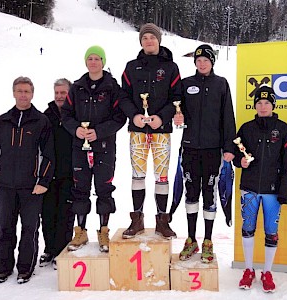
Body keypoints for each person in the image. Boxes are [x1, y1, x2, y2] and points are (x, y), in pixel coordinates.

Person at [0, 77, 54, 284]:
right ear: (13, 93)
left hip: (31, 187)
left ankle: (25, 268)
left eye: (27, 91)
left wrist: (43, 181)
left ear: (32, 94)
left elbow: (48, 155)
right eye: (19, 91)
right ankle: (3, 267)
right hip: (6, 185)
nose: (23, 95)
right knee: (5, 226)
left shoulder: (41, 121)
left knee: (29, 228)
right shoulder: (2, 122)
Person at [173, 44, 236, 263]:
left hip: (213, 149)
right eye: (198, 60)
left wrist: (229, 148)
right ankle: (191, 239)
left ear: (212, 62)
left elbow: (228, 117)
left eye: (205, 60)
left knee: (209, 193)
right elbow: (175, 107)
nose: (202, 63)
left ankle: (208, 240)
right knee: (191, 194)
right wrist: (176, 117)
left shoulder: (221, 84)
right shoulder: (185, 84)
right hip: (189, 148)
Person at [61, 45, 127, 253]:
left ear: (103, 62)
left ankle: (103, 230)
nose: (93, 62)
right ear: (85, 62)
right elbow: (66, 115)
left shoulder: (112, 87)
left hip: (104, 146)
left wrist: (99, 132)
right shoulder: (77, 87)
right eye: (90, 58)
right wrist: (76, 130)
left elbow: (119, 117)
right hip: (80, 146)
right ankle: (80, 231)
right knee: (80, 188)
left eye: (97, 58)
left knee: (103, 188)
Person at [119, 23, 181, 239]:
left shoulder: (171, 67)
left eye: (152, 38)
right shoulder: (131, 67)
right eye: (145, 38)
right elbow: (123, 96)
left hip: (161, 130)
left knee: (161, 176)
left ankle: (162, 220)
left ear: (158, 40)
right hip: (137, 129)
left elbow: (176, 97)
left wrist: (162, 117)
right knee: (138, 175)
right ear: (141, 42)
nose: (148, 41)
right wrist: (134, 115)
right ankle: (137, 219)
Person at [233, 86, 287, 293]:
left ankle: (267, 272)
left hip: (273, 191)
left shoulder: (283, 129)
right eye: (259, 103)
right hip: (249, 188)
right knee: (248, 229)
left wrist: (284, 192)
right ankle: (248, 269)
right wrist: (239, 161)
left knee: (271, 232)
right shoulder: (246, 128)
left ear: (273, 105)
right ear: (255, 105)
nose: (263, 106)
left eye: (267, 103)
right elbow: (235, 151)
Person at [39, 79, 74, 270]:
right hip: (48, 174)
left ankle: (62, 249)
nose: (60, 96)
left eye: (63, 93)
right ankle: (49, 249)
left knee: (65, 214)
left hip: (69, 173)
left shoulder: (75, 114)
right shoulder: (46, 116)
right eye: (57, 93)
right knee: (48, 212)